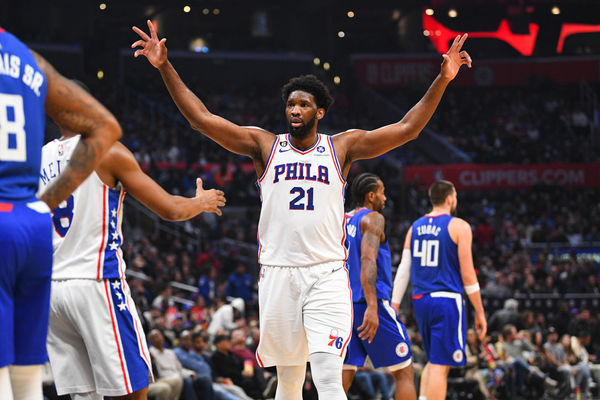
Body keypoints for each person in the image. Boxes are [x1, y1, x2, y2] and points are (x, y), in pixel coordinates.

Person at [132, 19, 472, 399]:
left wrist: (443, 78)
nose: (294, 109)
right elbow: (201, 119)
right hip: (278, 274)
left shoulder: (341, 147)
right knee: (290, 382)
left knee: (328, 378)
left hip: (326, 274)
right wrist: (165, 66)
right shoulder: (264, 145)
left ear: (319, 111)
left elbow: (408, 127)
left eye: (303, 103)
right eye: (290, 103)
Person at [38, 103, 226, 400]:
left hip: (52, 291)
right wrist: (200, 203)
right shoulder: (106, 150)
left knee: (85, 396)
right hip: (95, 281)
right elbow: (169, 209)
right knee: (134, 391)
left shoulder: (38, 158)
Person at [0, 28, 121, 399]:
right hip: (32, 227)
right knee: (25, 375)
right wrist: (43, 204)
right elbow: (106, 127)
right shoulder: (26, 57)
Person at [391, 180, 487, 400]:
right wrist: (480, 311)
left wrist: (395, 304)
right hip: (446, 299)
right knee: (441, 364)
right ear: (449, 199)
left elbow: (404, 269)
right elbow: (468, 274)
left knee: (433, 361)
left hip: (420, 300)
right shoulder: (459, 226)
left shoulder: (415, 226)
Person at [342, 173, 416, 400]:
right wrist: (373, 307)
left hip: (344, 306)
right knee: (404, 372)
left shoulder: (341, 221)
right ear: (371, 195)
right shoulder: (373, 218)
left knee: (340, 378)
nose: (385, 197)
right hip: (369, 304)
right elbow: (368, 262)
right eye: (382, 191)